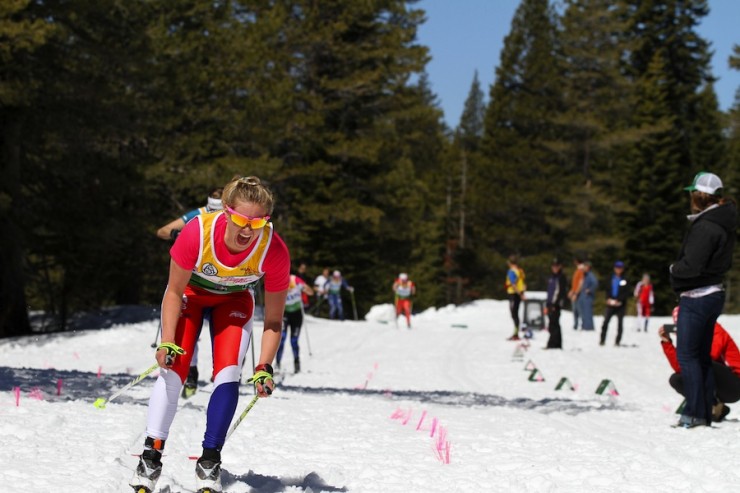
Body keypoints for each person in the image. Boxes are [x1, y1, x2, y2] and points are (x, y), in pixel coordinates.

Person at [130, 176, 290, 493]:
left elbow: (273, 319)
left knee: (228, 375)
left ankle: (209, 460)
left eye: (258, 222)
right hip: (189, 297)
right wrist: (167, 341)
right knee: (173, 372)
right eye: (242, 219)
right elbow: (173, 292)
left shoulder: (273, 248)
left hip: (233, 302)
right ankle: (151, 456)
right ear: (227, 212)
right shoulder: (198, 231)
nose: (248, 230)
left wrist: (264, 367)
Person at [670, 171, 736, 428]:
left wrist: (674, 270)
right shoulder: (722, 221)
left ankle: (695, 413)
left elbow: (692, 265)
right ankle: (704, 412)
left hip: (697, 296)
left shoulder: (707, 225)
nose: (689, 197)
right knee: (700, 357)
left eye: (691, 193)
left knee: (688, 357)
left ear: (700, 195)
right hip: (712, 293)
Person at [156, 187, 225, 398]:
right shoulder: (197, 215)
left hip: (222, 286)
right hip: (192, 283)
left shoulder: (232, 217)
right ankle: (192, 371)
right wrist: (178, 233)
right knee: (186, 331)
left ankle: (223, 377)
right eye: (212, 209)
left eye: (219, 210)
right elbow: (162, 231)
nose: (215, 215)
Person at [659, 306, 740, 422]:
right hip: (713, 380)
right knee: (676, 379)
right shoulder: (688, 338)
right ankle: (714, 406)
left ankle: (711, 406)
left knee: (702, 363)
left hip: (734, 384)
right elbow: (680, 368)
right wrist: (667, 343)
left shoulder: (714, 328)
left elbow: (710, 355)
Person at [276, 273, 313, 373]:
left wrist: (303, 288)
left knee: (294, 340)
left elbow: (310, 292)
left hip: (297, 314)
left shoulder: (294, 279)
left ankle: (297, 364)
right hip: (285, 314)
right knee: (282, 339)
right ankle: (277, 363)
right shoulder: (278, 280)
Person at [156, 187, 224, 240]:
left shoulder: (232, 214)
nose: (215, 215)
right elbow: (162, 231)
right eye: (213, 210)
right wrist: (180, 235)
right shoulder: (198, 214)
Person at [599, 261, 629, 347]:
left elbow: (626, 292)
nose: (618, 270)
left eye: (620, 268)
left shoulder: (625, 279)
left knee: (620, 324)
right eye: (617, 268)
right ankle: (602, 340)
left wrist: (619, 300)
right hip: (610, 303)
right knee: (605, 322)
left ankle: (617, 341)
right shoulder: (610, 278)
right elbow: (607, 290)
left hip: (620, 305)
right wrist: (608, 299)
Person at [545, 258, 568, 349]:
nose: (555, 268)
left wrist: (555, 304)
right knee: (552, 324)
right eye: (553, 266)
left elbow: (560, 292)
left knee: (554, 324)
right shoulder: (551, 277)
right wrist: (547, 304)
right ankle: (555, 343)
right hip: (550, 303)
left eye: (556, 266)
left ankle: (554, 344)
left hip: (556, 305)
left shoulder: (561, 277)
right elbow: (550, 292)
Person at [505, 255, 527, 341]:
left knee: (514, 314)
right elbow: (524, 284)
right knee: (516, 314)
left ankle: (516, 333)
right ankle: (516, 332)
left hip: (514, 294)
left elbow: (513, 284)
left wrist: (520, 294)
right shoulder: (520, 271)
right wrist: (522, 293)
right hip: (519, 294)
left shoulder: (511, 271)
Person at [577, 261, 597, 331]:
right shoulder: (584, 275)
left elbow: (595, 283)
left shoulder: (591, 275)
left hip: (587, 297)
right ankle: (584, 325)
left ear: (588, 267)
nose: (584, 268)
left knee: (587, 312)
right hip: (582, 296)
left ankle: (588, 327)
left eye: (585, 266)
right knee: (582, 312)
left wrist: (589, 290)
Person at [568, 256, 585, 330]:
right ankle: (575, 324)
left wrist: (576, 293)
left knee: (579, 310)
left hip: (578, 294)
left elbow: (581, 283)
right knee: (575, 310)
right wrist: (572, 290)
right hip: (574, 291)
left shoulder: (581, 270)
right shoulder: (578, 270)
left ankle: (582, 325)